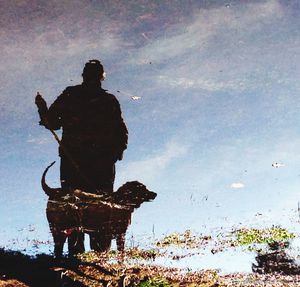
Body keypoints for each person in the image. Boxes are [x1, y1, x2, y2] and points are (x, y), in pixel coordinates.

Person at [35, 60, 128, 194]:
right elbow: (120, 130)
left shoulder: (72, 94)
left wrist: (42, 109)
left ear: (84, 75)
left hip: (86, 160)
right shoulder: (108, 100)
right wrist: (116, 152)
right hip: (89, 161)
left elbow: (52, 123)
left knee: (79, 203)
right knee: (98, 204)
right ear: (102, 76)